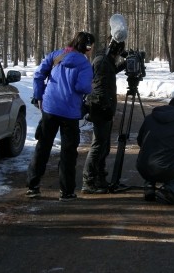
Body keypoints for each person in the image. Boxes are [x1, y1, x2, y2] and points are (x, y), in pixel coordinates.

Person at [26, 31, 94, 201]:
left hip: (50, 107)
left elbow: (38, 75)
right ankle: (66, 191)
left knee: (43, 146)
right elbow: (83, 87)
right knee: (68, 152)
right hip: (70, 112)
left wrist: (39, 95)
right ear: (87, 47)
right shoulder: (85, 65)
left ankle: (33, 186)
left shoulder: (57, 55)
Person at [82, 34, 127, 194]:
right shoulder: (102, 61)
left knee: (104, 146)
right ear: (114, 49)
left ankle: (99, 178)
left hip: (104, 108)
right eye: (119, 52)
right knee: (98, 145)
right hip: (100, 109)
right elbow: (99, 87)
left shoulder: (105, 60)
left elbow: (111, 70)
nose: (118, 56)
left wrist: (125, 63)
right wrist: (106, 107)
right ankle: (88, 180)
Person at [136, 96, 174, 205]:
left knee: (154, 158)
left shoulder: (150, 118)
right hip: (165, 169)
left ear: (169, 105)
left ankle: (149, 186)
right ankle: (169, 190)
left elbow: (140, 141)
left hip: (142, 167)